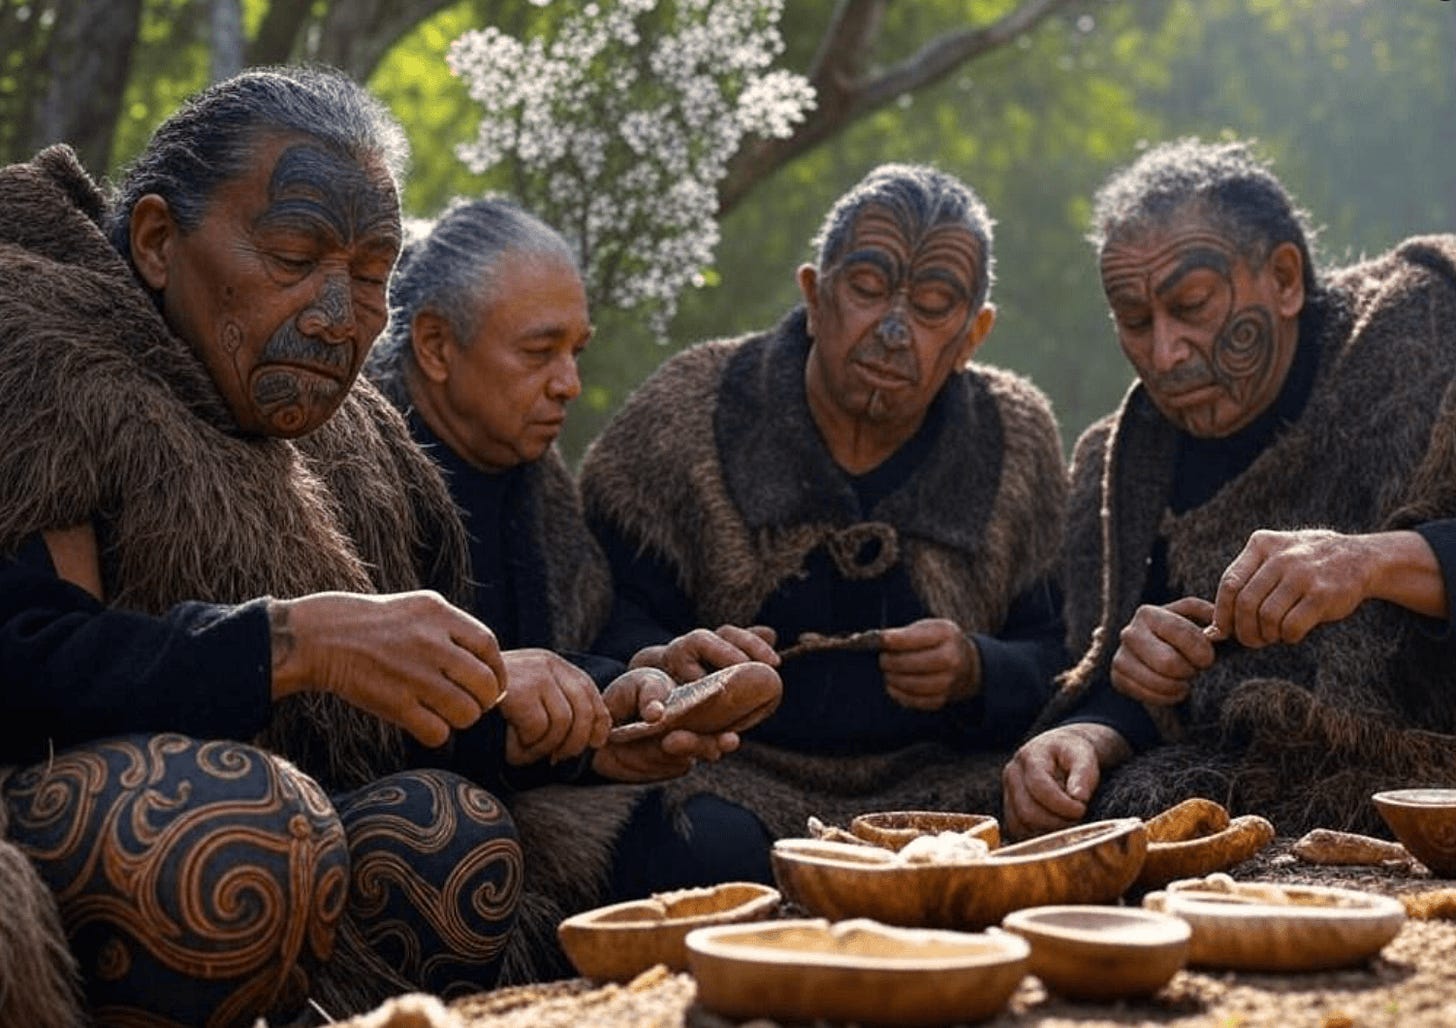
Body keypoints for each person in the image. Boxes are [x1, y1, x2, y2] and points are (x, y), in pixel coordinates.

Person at [0, 66, 731, 1026]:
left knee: (448, 830)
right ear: (154, 242)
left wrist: (602, 716)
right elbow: (26, 659)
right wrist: (297, 643)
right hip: (112, 827)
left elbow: (392, 713)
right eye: (296, 256)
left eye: (373, 274)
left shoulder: (362, 442)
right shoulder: (39, 357)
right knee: (229, 828)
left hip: (285, 835)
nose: (342, 317)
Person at [579, 163, 1069, 841]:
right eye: (867, 289)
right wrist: (667, 660)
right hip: (727, 776)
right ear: (815, 294)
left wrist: (979, 669)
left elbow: (1066, 652)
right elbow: (598, 615)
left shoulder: (1019, 438)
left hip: (948, 782)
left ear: (972, 336)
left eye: (931, 307)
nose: (894, 331)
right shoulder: (682, 412)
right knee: (694, 847)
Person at [363, 197, 783, 976]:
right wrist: (543, 718)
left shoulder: (532, 472)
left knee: (727, 842)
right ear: (434, 344)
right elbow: (361, 717)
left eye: (578, 351)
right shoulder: (358, 467)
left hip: (554, 787)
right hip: (426, 810)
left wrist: (650, 669)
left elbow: (593, 619)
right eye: (539, 352)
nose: (570, 385)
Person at [1002, 138, 1456, 841]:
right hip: (1250, 782)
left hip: (1433, 768)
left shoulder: (1428, 331)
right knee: (1112, 822)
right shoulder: (1118, 469)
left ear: (1283, 278)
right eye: (1134, 320)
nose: (1165, 353)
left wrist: (1373, 561)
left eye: (1192, 304)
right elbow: (1111, 680)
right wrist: (1095, 728)